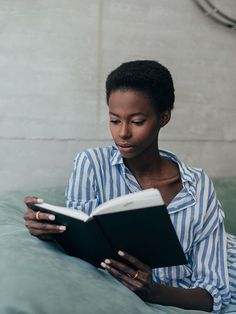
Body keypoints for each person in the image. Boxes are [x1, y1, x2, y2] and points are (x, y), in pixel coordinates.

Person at [24, 60, 236, 313]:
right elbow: (83, 248)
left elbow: (214, 296)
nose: (123, 133)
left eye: (137, 121)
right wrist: (50, 231)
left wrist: (152, 291)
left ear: (163, 118)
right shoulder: (91, 165)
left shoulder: (197, 185)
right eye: (115, 120)